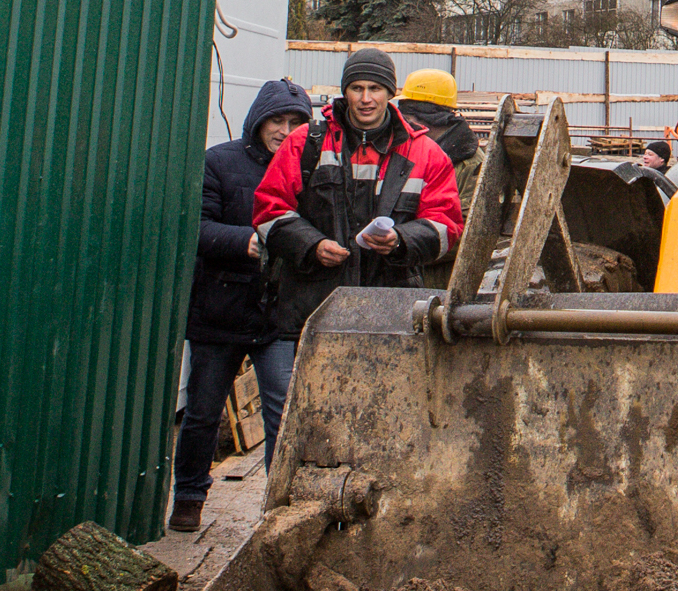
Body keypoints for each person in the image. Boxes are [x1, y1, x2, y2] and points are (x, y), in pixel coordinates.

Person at [172, 76, 313, 533]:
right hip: (219, 309)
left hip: (276, 315)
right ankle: (190, 495)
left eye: (295, 122)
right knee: (202, 413)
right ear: (258, 120)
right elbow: (194, 226)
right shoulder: (219, 163)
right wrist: (246, 242)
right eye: (277, 119)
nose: (285, 130)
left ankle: (276, 507)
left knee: (282, 412)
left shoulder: (310, 167)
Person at [253, 49, 467, 343]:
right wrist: (312, 245)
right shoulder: (305, 142)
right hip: (316, 308)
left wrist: (401, 240)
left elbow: (447, 224)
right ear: (346, 92)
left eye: (375, 88)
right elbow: (269, 210)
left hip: (393, 308)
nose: (366, 98)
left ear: (390, 93)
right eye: (357, 88)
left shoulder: (426, 154)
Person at [396, 67, 478, 172]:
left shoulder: (469, 166)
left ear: (431, 118)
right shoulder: (411, 150)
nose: (405, 126)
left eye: (407, 119)